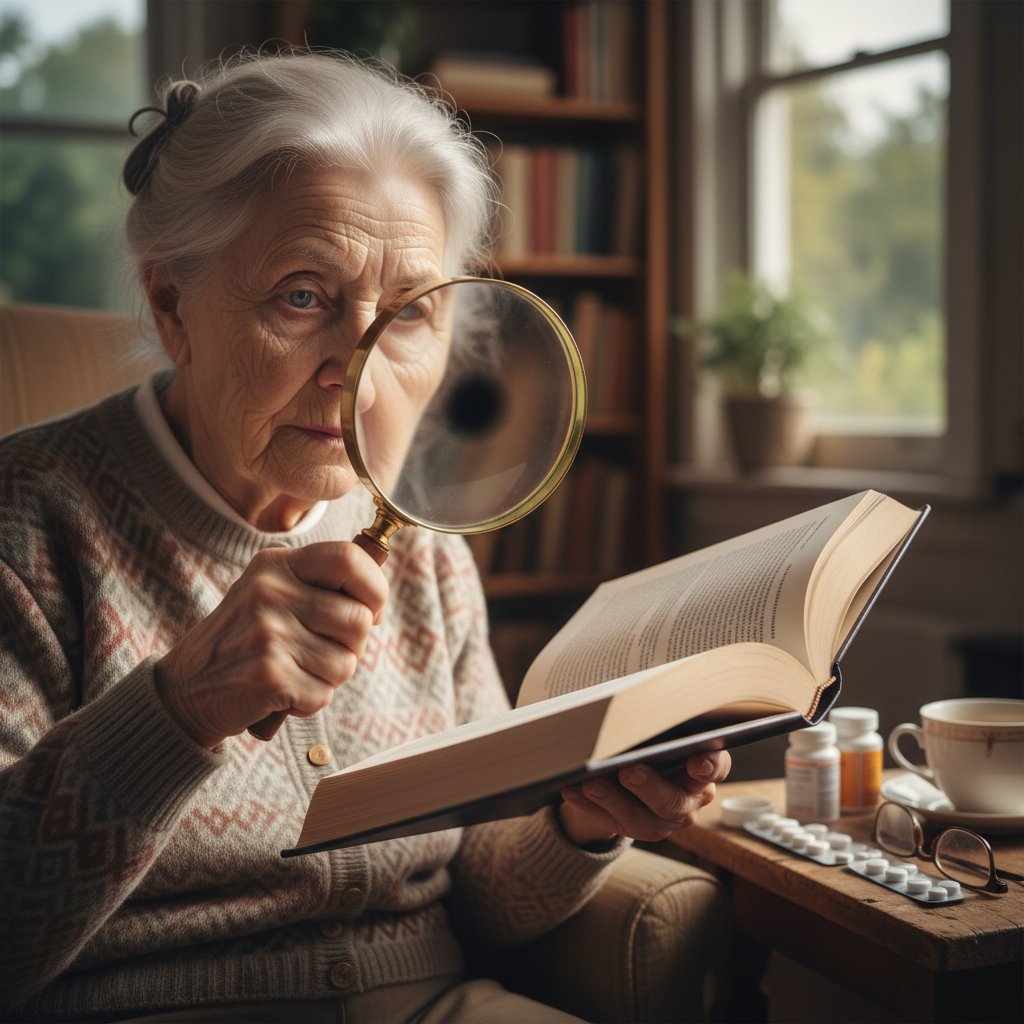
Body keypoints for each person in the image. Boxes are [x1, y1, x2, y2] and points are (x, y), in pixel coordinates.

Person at [0, 50, 731, 1022]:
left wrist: (582, 826)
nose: (359, 371)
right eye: (302, 296)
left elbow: (471, 895)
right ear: (173, 305)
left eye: (410, 313)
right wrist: (177, 710)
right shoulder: (27, 523)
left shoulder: (427, 549)